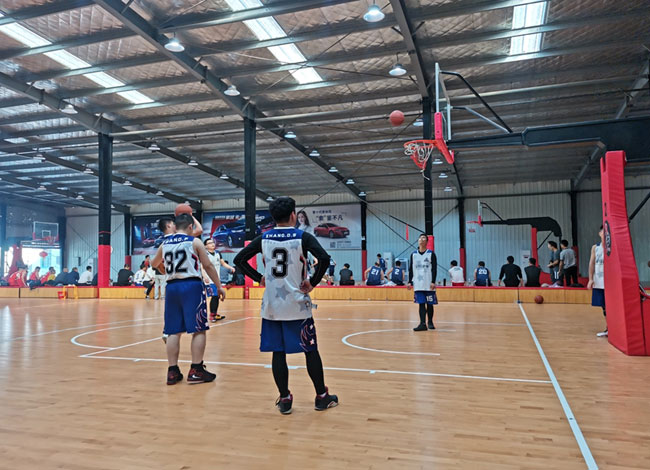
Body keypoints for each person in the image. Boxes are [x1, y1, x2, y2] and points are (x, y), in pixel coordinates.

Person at [234, 196, 338, 414]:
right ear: (293, 215)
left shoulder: (263, 238)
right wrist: (313, 282)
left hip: (272, 307)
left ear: (273, 217)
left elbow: (239, 260)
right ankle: (321, 396)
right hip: (297, 305)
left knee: (278, 353)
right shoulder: (302, 237)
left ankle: (285, 399)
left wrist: (258, 278)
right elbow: (324, 258)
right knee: (310, 350)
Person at [151, 213, 226, 385]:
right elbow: (207, 265)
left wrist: (165, 270)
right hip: (191, 286)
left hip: (172, 287)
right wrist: (219, 286)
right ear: (191, 227)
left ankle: (172, 371)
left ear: (175, 227)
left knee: (173, 331)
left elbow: (154, 263)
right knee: (199, 329)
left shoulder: (165, 243)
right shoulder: (195, 241)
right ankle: (196, 370)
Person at [408, 234, 437, 331]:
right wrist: (410, 281)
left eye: (423, 237)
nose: (421, 239)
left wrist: (433, 281)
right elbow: (411, 268)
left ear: (427, 241)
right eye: (420, 238)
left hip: (428, 283)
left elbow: (434, 269)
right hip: (418, 283)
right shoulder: (413, 254)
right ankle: (422, 323)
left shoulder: (431, 254)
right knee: (421, 303)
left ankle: (430, 322)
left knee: (430, 303)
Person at [203, 238, 236, 322]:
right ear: (205, 246)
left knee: (217, 296)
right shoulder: (205, 254)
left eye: (213, 242)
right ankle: (212, 315)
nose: (212, 244)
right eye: (209, 243)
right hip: (209, 279)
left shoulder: (218, 253)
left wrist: (231, 267)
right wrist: (204, 276)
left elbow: (223, 263)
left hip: (216, 279)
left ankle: (215, 314)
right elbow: (202, 266)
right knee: (214, 296)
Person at [588, 225, 607, 337]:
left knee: (612, 306)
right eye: (603, 232)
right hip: (599, 281)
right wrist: (590, 279)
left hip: (610, 282)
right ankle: (608, 328)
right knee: (603, 306)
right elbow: (591, 263)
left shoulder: (613, 247)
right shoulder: (595, 247)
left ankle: (615, 328)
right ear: (600, 233)